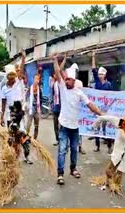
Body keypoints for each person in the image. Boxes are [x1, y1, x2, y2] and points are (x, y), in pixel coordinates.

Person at [52, 53, 102, 185]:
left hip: (75, 127)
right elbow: (57, 71)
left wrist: (100, 114)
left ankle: (73, 169)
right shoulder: (62, 87)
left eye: (70, 80)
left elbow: (90, 105)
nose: (67, 81)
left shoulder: (79, 92)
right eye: (66, 79)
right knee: (62, 150)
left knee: (74, 149)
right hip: (63, 125)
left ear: (74, 81)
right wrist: (55, 60)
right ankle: (60, 174)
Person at [1, 66, 33, 164]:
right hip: (10, 116)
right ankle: (13, 156)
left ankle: (27, 156)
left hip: (19, 114)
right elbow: (3, 102)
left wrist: (23, 58)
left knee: (23, 136)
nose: (12, 78)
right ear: (7, 77)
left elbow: (21, 71)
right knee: (12, 137)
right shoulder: (4, 88)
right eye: (10, 76)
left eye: (13, 76)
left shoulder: (19, 83)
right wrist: (2, 116)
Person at [91, 51, 113, 153]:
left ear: (105, 75)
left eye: (101, 74)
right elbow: (93, 69)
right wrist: (93, 56)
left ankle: (109, 147)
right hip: (97, 108)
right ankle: (97, 146)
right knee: (97, 127)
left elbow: (112, 96)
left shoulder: (108, 84)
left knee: (106, 129)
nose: (99, 75)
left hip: (106, 108)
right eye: (99, 74)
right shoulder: (97, 82)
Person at [26, 75, 42, 139]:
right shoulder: (30, 88)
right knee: (28, 124)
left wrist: (39, 109)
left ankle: (35, 138)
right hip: (30, 108)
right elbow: (27, 97)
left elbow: (40, 99)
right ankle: (26, 136)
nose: (36, 80)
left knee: (36, 125)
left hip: (37, 109)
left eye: (38, 79)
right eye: (35, 79)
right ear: (33, 80)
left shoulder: (39, 89)